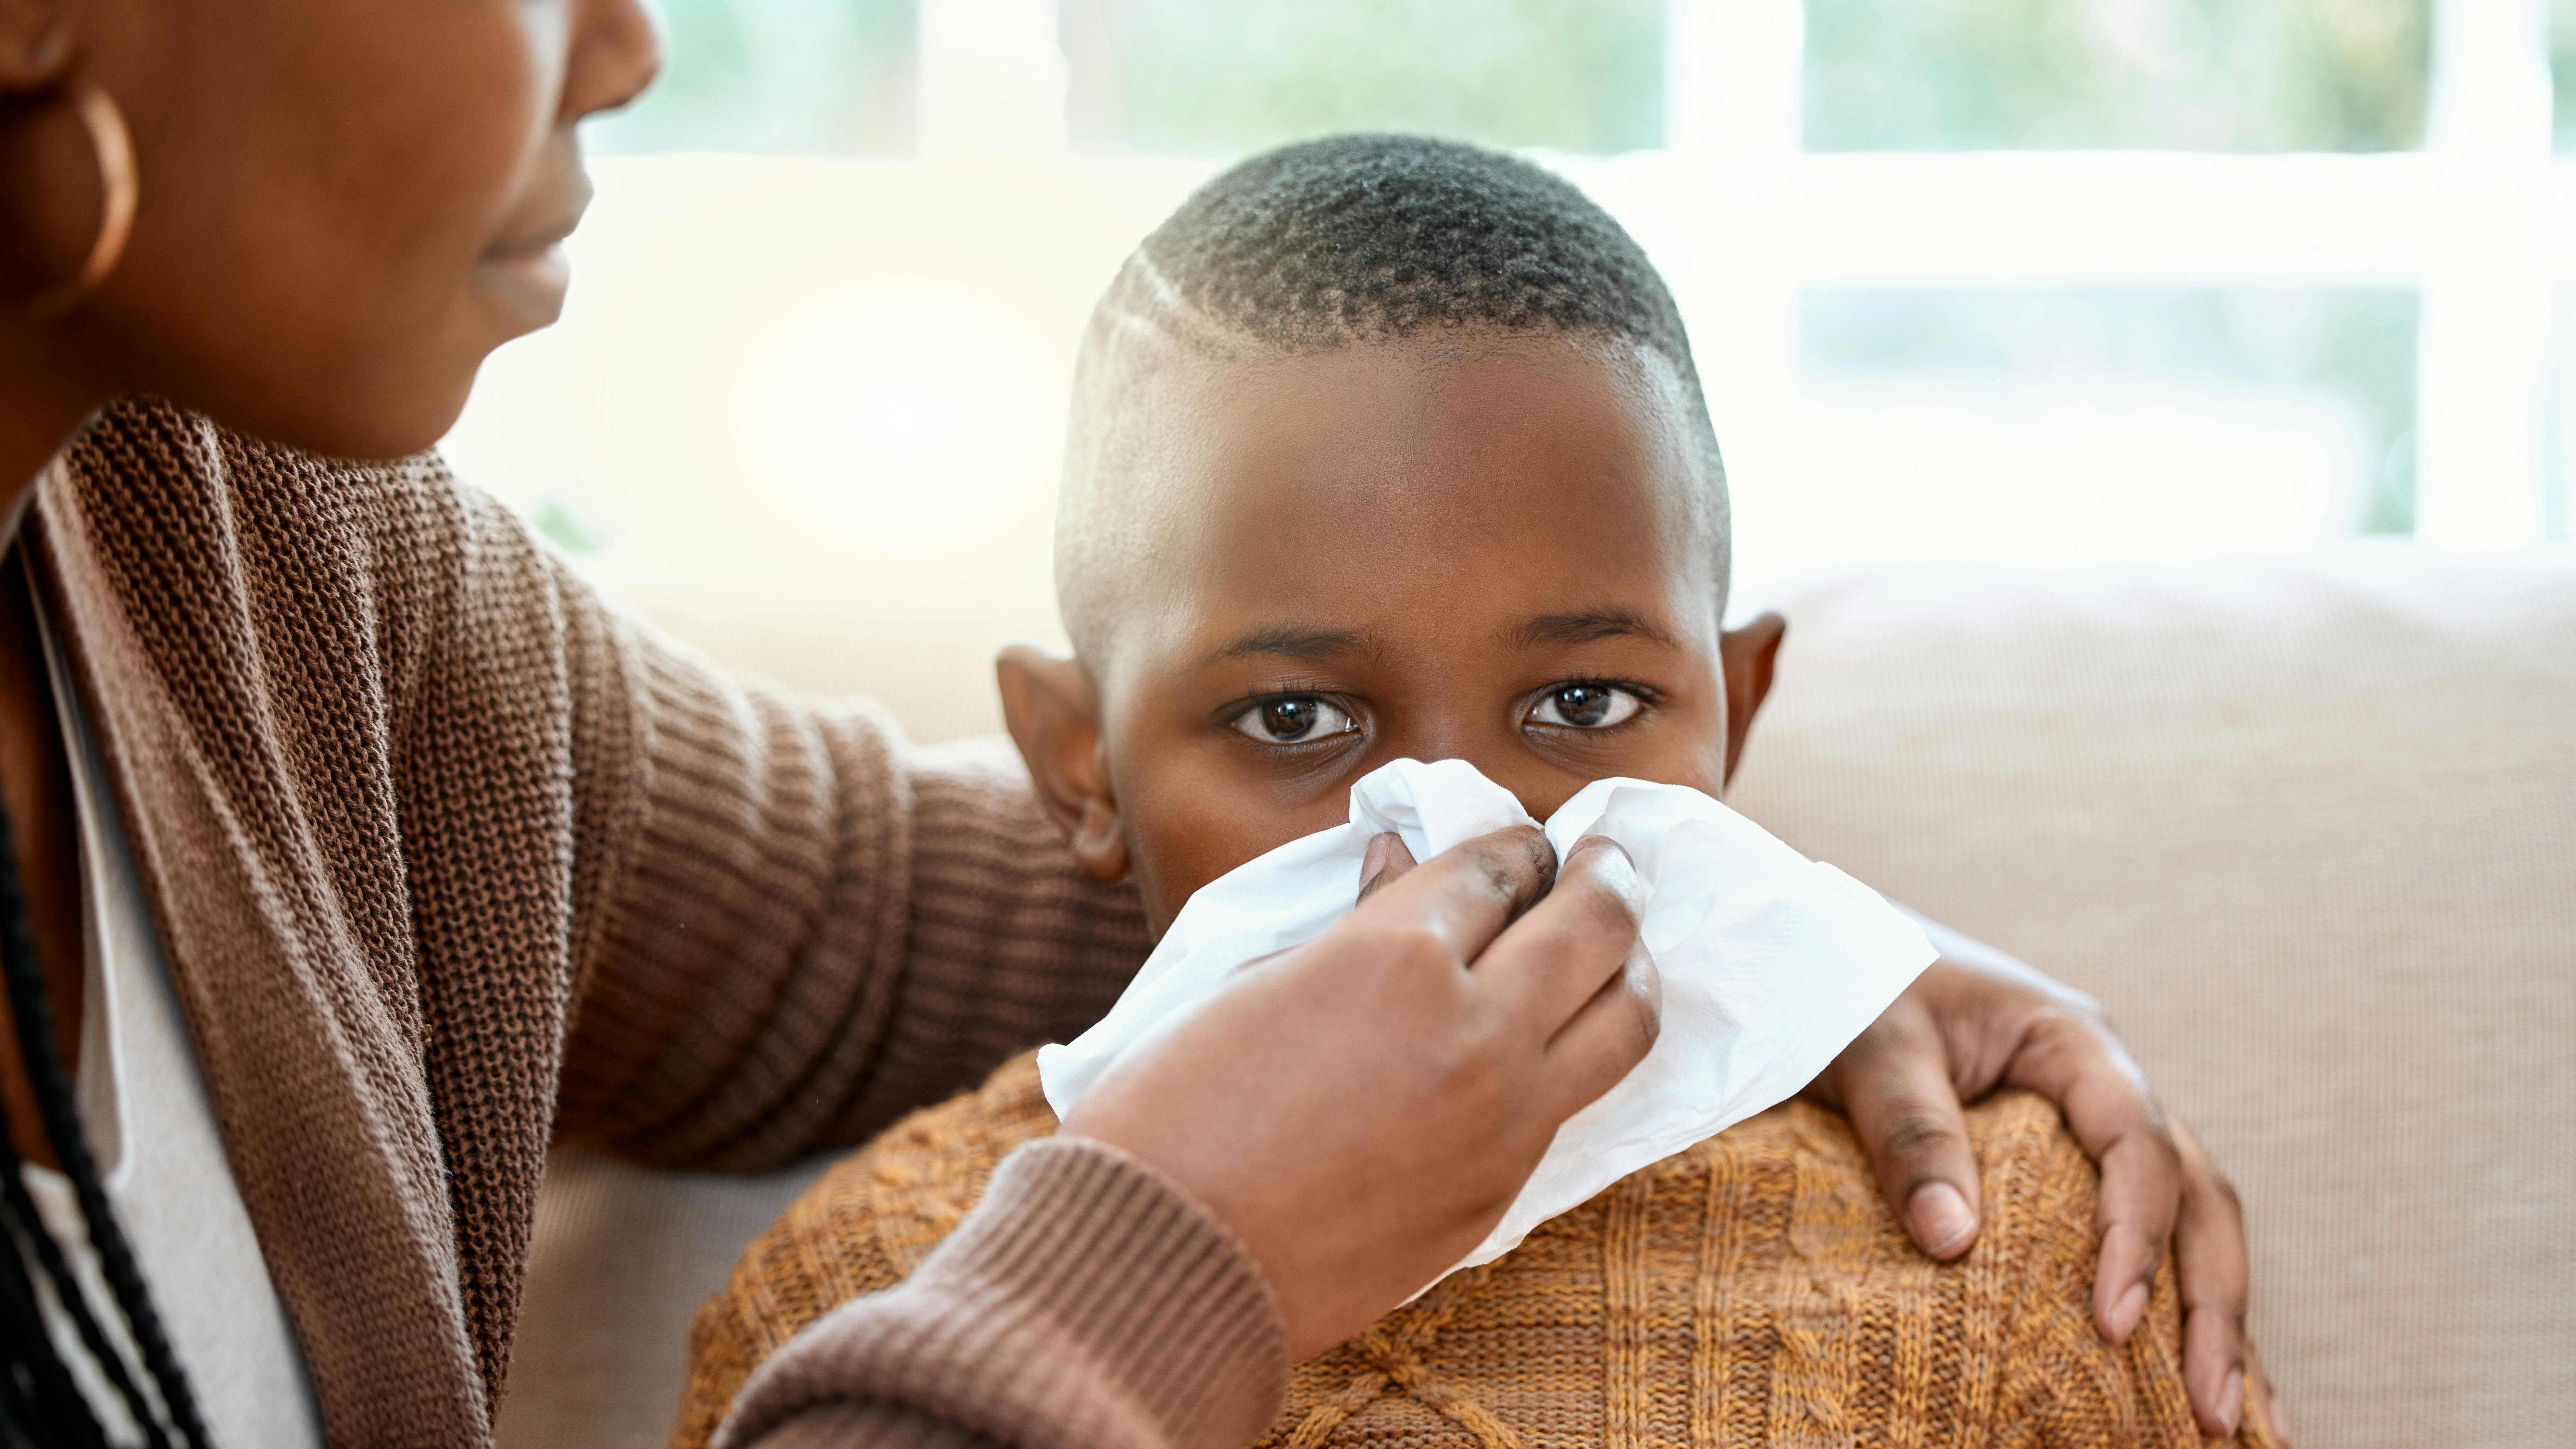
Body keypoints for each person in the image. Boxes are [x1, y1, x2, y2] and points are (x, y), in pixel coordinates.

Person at [0, 5, 2267, 1447]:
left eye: (1581, 695)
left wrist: (1738, 932)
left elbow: (907, 909)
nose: (625, 40)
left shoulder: (287, 583)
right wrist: (1168, 1249)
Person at [672, 135, 2276, 1449]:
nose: (1475, 837)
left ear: (1737, 714)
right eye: (1294, 716)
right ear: (1077, 766)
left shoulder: (2010, 1252)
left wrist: (1817, 954)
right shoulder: (864, 1299)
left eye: (1584, 704)